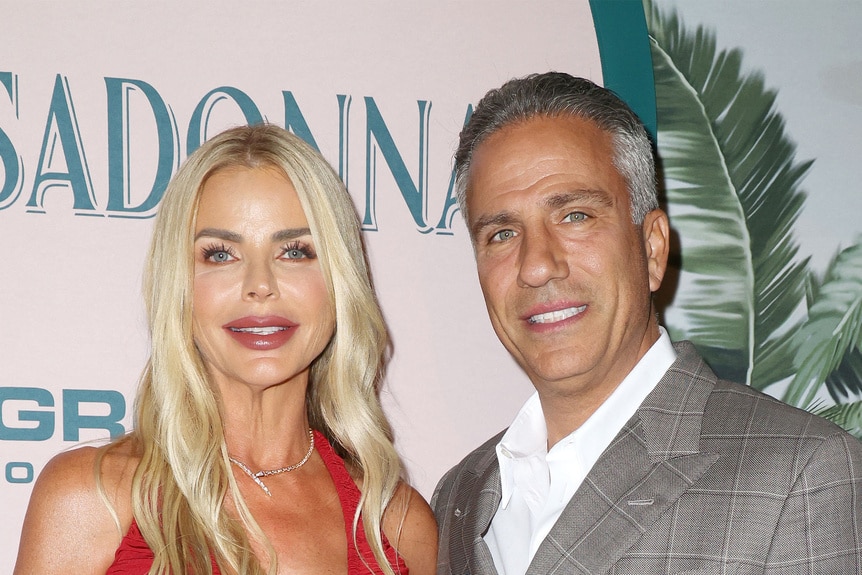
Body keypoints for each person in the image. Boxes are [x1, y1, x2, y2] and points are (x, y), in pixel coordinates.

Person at [432, 72, 862, 574]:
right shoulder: (459, 494)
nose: (537, 265)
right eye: (502, 233)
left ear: (653, 247)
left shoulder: (801, 476)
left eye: (575, 216)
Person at [14, 124, 437, 575]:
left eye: (294, 251)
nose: (260, 286)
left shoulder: (396, 525)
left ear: (340, 281)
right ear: (179, 284)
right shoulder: (90, 498)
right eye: (220, 254)